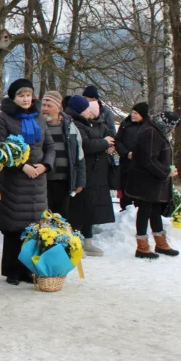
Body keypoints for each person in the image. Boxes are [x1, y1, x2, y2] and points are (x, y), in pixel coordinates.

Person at [0, 78, 55, 285]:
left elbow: (50, 146)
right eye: (21, 95)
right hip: (15, 179)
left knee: (33, 228)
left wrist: (45, 165)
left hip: (38, 180)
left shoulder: (39, 118)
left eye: (28, 95)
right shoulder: (4, 118)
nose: (26, 99)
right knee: (13, 226)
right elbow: (0, 148)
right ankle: (12, 270)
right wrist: (21, 166)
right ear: (13, 97)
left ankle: (28, 269)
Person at [126, 111, 181, 259]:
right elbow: (149, 160)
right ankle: (142, 246)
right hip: (146, 180)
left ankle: (160, 243)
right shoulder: (151, 132)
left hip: (153, 180)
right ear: (166, 125)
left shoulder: (155, 130)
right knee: (145, 210)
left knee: (155, 209)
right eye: (172, 127)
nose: (173, 130)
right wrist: (166, 172)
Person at [63, 96, 115, 256]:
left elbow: (108, 136)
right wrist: (104, 143)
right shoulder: (75, 124)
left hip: (95, 173)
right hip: (83, 170)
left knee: (89, 208)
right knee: (79, 208)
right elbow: (87, 145)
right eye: (86, 108)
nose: (90, 111)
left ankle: (87, 241)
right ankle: (73, 242)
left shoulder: (90, 123)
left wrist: (106, 143)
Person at [40, 91, 86, 218]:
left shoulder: (70, 127)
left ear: (59, 108)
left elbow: (79, 155)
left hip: (64, 181)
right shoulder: (38, 126)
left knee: (61, 218)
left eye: (49, 106)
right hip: (42, 181)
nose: (45, 109)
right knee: (43, 219)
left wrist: (80, 180)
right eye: (43, 105)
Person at [115, 102, 150, 211]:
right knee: (125, 187)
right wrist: (126, 153)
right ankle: (125, 209)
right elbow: (117, 141)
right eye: (132, 112)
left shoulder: (148, 126)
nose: (133, 115)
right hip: (126, 162)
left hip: (141, 165)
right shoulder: (125, 124)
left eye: (136, 113)